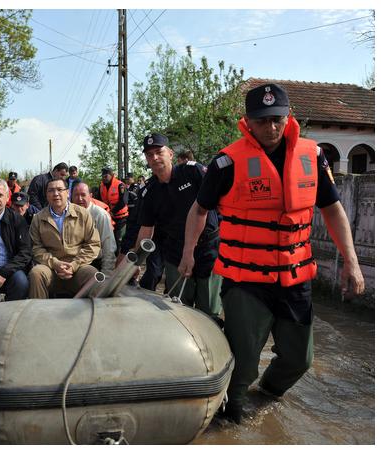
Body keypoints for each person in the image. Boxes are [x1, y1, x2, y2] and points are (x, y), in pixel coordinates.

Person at [178, 82, 365, 424]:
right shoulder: (226, 162)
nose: (271, 127)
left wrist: (351, 262)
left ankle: (266, 394)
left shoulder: (313, 156)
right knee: (244, 363)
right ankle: (229, 417)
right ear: (248, 121)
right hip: (245, 279)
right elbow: (199, 210)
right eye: (262, 120)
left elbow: (333, 209)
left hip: (295, 277)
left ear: (288, 116)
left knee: (299, 360)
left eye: (277, 118)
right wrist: (188, 252)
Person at [133, 133, 222, 318]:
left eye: (159, 152)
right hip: (175, 252)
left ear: (171, 154)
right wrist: (134, 263)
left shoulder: (193, 172)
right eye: (149, 155)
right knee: (179, 310)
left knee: (209, 312)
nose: (154, 157)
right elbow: (146, 230)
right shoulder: (149, 191)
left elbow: (214, 205)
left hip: (208, 248)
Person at [28, 178, 101, 298]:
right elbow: (36, 247)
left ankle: (91, 310)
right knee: (36, 273)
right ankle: (39, 309)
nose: (55, 193)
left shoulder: (83, 214)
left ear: (67, 192)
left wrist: (74, 265)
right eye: (51, 190)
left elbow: (93, 244)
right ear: (46, 195)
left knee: (93, 275)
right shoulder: (38, 218)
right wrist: (55, 263)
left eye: (59, 189)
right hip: (50, 269)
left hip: (78, 268)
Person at [71, 182, 116, 274]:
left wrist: (106, 274)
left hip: (94, 263)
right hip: (72, 263)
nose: (79, 199)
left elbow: (108, 247)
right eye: (76, 195)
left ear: (90, 196)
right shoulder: (68, 213)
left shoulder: (100, 215)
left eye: (83, 195)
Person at [99, 167, 129, 246]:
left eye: (106, 176)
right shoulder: (101, 186)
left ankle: (120, 253)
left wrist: (112, 211)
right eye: (103, 176)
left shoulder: (120, 185)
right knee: (108, 239)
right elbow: (99, 201)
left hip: (121, 218)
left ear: (111, 175)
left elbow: (123, 201)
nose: (104, 178)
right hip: (108, 217)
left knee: (119, 239)